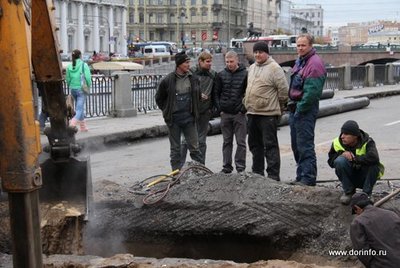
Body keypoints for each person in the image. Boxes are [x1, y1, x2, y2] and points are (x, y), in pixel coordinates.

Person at [243, 41, 289, 180]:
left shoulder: (275, 68)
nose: (257, 55)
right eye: (255, 52)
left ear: (266, 53)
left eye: (260, 52)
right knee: (254, 145)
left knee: (270, 146)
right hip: (252, 112)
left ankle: (273, 176)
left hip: (267, 114)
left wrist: (279, 108)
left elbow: (283, 90)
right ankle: (257, 173)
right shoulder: (252, 68)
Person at [288, 33, 327, 186]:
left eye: (303, 45)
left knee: (305, 145)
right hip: (295, 107)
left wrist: (299, 110)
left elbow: (311, 94)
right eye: (298, 45)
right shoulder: (301, 61)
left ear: (311, 46)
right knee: (296, 145)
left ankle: (308, 178)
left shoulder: (314, 64)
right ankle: (301, 175)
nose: (300, 48)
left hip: (304, 110)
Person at [155, 51, 203, 171]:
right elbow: (159, 98)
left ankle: (200, 173)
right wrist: (167, 111)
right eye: (186, 62)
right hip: (174, 120)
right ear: (179, 64)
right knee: (175, 149)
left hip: (189, 119)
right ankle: (176, 175)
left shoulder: (193, 78)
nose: (189, 65)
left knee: (195, 148)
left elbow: (197, 95)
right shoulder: (168, 80)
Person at [328, 120, 384, 205]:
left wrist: (354, 159)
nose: (342, 136)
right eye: (342, 133)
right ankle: (349, 192)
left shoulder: (368, 142)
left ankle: (366, 194)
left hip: (365, 178)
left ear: (355, 136)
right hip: (349, 177)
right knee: (340, 161)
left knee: (374, 165)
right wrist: (341, 154)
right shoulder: (337, 143)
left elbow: (374, 158)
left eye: (346, 134)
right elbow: (331, 162)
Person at [181, 51, 217, 165]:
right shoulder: (190, 73)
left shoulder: (213, 74)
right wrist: (197, 94)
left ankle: (200, 166)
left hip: (204, 111)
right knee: (185, 140)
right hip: (190, 111)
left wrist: (213, 108)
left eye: (211, 61)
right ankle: (178, 167)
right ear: (200, 61)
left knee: (201, 141)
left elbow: (215, 92)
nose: (210, 64)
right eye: (207, 62)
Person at [214, 51, 247, 173]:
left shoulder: (245, 74)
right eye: (227, 62)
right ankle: (226, 166)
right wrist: (220, 110)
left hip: (239, 114)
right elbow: (216, 93)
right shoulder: (221, 75)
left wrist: (243, 109)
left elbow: (248, 93)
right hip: (225, 114)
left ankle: (240, 167)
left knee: (241, 142)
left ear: (237, 60)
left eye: (231, 61)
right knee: (227, 142)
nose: (229, 64)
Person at [349, 192, 400, 267]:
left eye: (355, 211)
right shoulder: (392, 214)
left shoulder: (358, 222)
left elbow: (362, 252)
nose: (357, 214)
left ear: (357, 207)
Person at [66, 49, 91, 132]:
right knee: (79, 109)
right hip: (81, 89)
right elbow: (88, 77)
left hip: (73, 89)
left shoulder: (69, 66)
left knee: (79, 108)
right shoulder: (84, 65)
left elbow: (68, 79)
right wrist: (89, 85)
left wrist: (70, 85)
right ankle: (72, 124)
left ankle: (83, 127)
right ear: (80, 56)